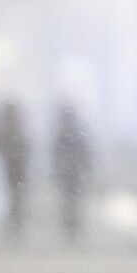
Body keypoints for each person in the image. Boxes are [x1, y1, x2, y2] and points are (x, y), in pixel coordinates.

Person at [52, 102, 94, 244]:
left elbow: (57, 154)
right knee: (72, 201)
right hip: (74, 171)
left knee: (69, 201)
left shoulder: (63, 132)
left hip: (69, 171)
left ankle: (70, 227)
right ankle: (72, 228)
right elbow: (85, 152)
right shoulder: (74, 131)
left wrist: (57, 169)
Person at [0, 101, 31, 240]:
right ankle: (15, 221)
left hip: (13, 168)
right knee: (15, 196)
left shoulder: (9, 129)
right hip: (14, 168)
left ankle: (15, 222)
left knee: (14, 196)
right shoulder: (16, 129)